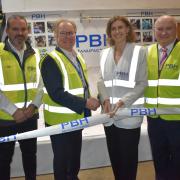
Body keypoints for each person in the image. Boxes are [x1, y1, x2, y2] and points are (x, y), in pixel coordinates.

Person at [39, 19, 100, 180]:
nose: (67, 36)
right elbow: (56, 93)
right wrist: (85, 103)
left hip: (76, 118)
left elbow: (81, 85)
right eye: (63, 33)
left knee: (73, 161)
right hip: (60, 122)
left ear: (75, 34)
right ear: (55, 36)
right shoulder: (51, 60)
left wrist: (89, 99)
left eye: (71, 33)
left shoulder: (77, 56)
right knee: (62, 162)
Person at [97, 16, 147, 180]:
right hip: (109, 116)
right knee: (116, 159)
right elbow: (100, 80)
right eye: (113, 29)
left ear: (127, 30)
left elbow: (142, 83)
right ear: (109, 33)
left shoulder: (139, 52)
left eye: (120, 27)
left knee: (128, 161)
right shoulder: (104, 53)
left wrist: (122, 101)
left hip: (128, 115)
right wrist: (104, 100)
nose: (117, 31)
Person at [0, 15, 43, 180]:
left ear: (28, 31)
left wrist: (33, 107)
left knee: (30, 157)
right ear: (7, 31)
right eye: (15, 29)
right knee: (3, 160)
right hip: (5, 119)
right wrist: (13, 110)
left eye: (23, 29)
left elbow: (41, 86)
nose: (20, 33)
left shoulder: (36, 53)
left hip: (30, 116)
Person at [144, 15, 180, 180]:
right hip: (154, 118)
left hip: (177, 118)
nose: (163, 33)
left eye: (168, 28)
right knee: (159, 157)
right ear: (154, 31)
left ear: (176, 29)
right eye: (160, 29)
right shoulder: (148, 51)